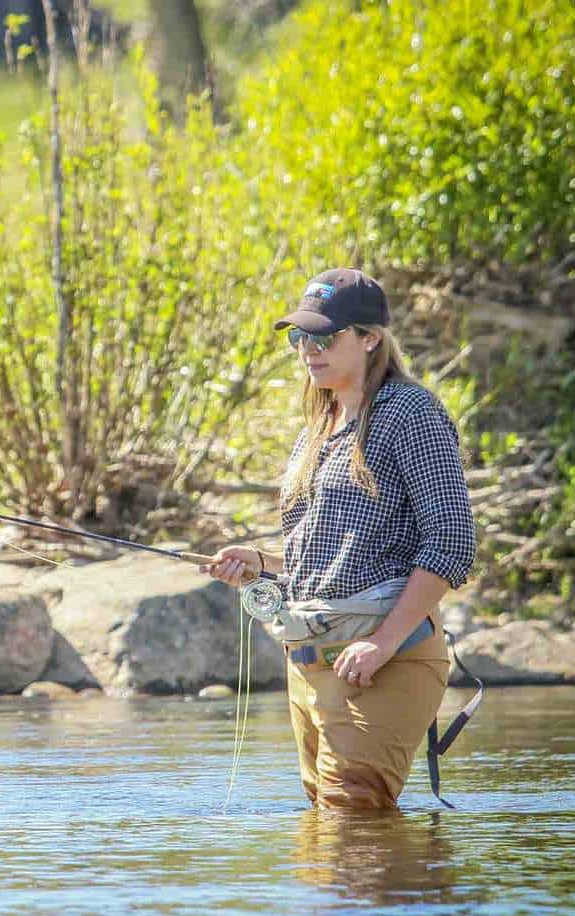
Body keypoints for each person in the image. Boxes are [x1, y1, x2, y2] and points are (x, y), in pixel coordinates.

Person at [204, 269, 476, 809]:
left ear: (370, 337)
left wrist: (383, 642)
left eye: (324, 337)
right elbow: (333, 552)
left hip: (382, 659)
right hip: (309, 664)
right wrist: (260, 561)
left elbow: (451, 543)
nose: (308, 350)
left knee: (352, 822)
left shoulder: (411, 412)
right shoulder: (317, 427)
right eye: (299, 337)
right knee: (331, 835)